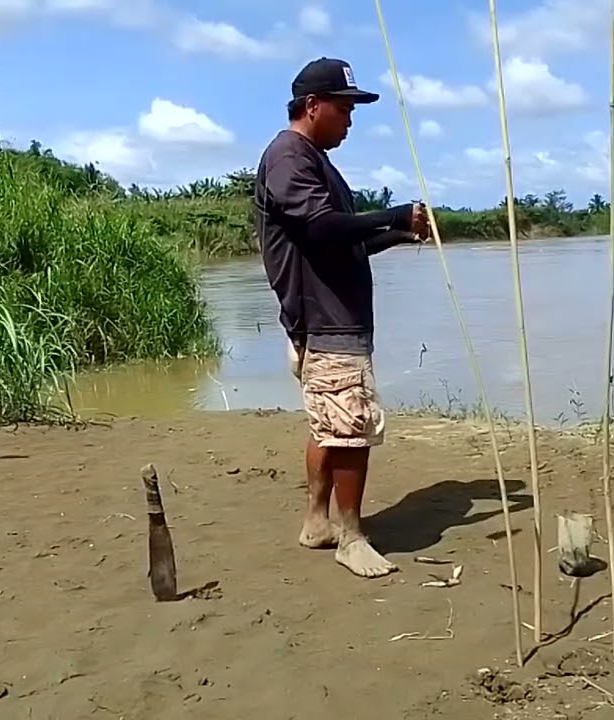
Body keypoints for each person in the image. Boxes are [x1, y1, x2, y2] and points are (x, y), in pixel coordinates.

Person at [252, 57, 430, 578]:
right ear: (313, 106)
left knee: (329, 424)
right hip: (326, 320)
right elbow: (325, 228)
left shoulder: (311, 161)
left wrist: (399, 232)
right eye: (345, 109)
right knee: (351, 427)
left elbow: (340, 243)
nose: (350, 121)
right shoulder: (289, 156)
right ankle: (352, 536)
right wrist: (394, 213)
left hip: (327, 317)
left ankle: (316, 521)